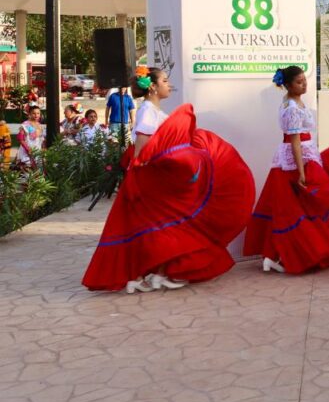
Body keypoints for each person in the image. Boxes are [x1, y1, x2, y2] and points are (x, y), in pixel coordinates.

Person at [82, 67, 255, 293]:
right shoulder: (146, 111)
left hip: (153, 180)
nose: (168, 84)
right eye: (164, 80)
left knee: (160, 228)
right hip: (147, 181)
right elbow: (142, 150)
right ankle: (144, 275)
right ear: (152, 86)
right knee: (157, 228)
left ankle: (155, 274)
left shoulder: (153, 110)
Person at [246, 67, 329, 274]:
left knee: (294, 210)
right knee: (297, 210)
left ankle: (274, 255)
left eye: (304, 80)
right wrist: (302, 172)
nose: (305, 84)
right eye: (299, 82)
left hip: (304, 158)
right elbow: (295, 143)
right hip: (295, 163)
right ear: (289, 85)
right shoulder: (291, 107)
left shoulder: (295, 102)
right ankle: (279, 255)